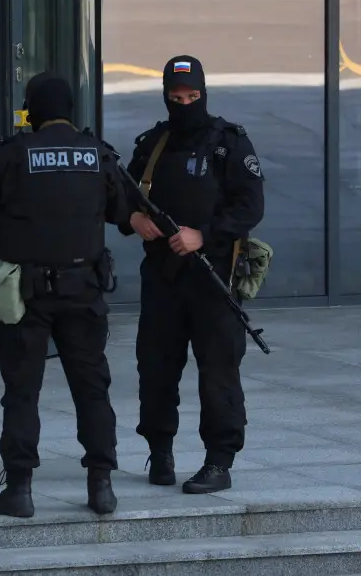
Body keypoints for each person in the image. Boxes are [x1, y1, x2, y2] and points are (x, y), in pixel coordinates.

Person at [0, 72, 132, 518]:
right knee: (91, 390)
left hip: (26, 296)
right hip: (84, 293)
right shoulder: (98, 155)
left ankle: (19, 489)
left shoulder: (14, 154)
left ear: (33, 111)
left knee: (22, 392)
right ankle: (101, 486)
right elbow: (122, 212)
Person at [119, 55, 265, 495]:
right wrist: (132, 219)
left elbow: (250, 206)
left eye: (193, 96)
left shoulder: (230, 143)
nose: (184, 104)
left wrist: (203, 235)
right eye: (176, 97)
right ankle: (160, 452)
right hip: (163, 279)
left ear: (204, 93)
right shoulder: (153, 144)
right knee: (157, 369)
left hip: (212, 279)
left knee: (218, 371)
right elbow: (120, 193)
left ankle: (219, 461)